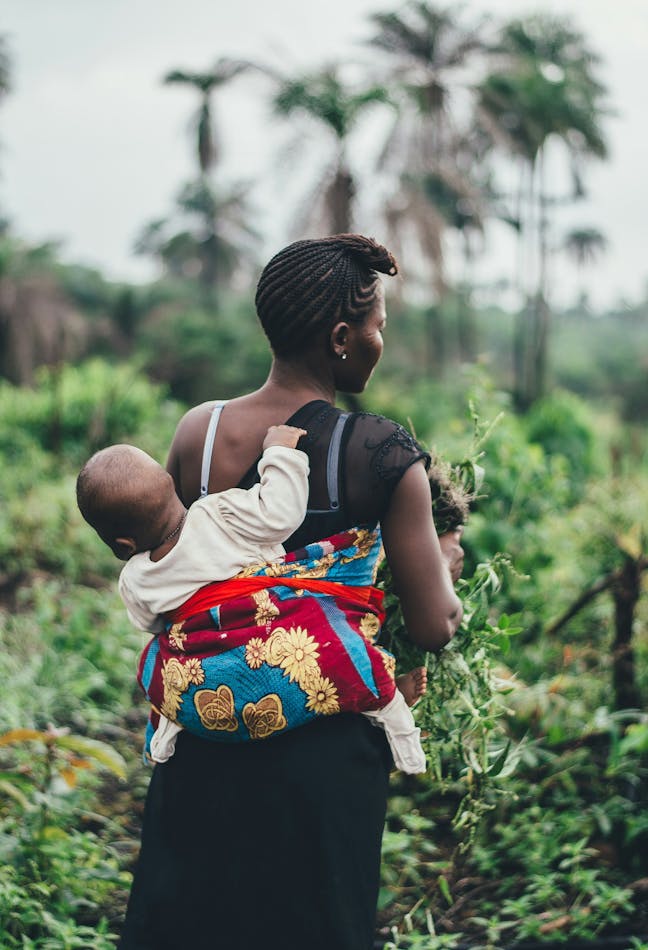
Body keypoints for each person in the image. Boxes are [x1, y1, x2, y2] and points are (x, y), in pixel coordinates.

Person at [118, 233, 463, 950]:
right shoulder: (382, 453)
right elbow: (434, 627)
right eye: (376, 327)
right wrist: (446, 564)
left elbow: (177, 566)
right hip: (322, 761)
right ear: (341, 338)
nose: (379, 341)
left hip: (205, 735)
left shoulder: (199, 433)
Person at [76, 426, 428, 773]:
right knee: (340, 648)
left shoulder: (135, 578)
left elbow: (154, 625)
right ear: (170, 484)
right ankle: (394, 717)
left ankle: (168, 729)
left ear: (122, 546)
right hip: (274, 645)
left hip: (210, 683)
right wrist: (280, 452)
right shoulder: (217, 513)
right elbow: (280, 513)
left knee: (157, 662)